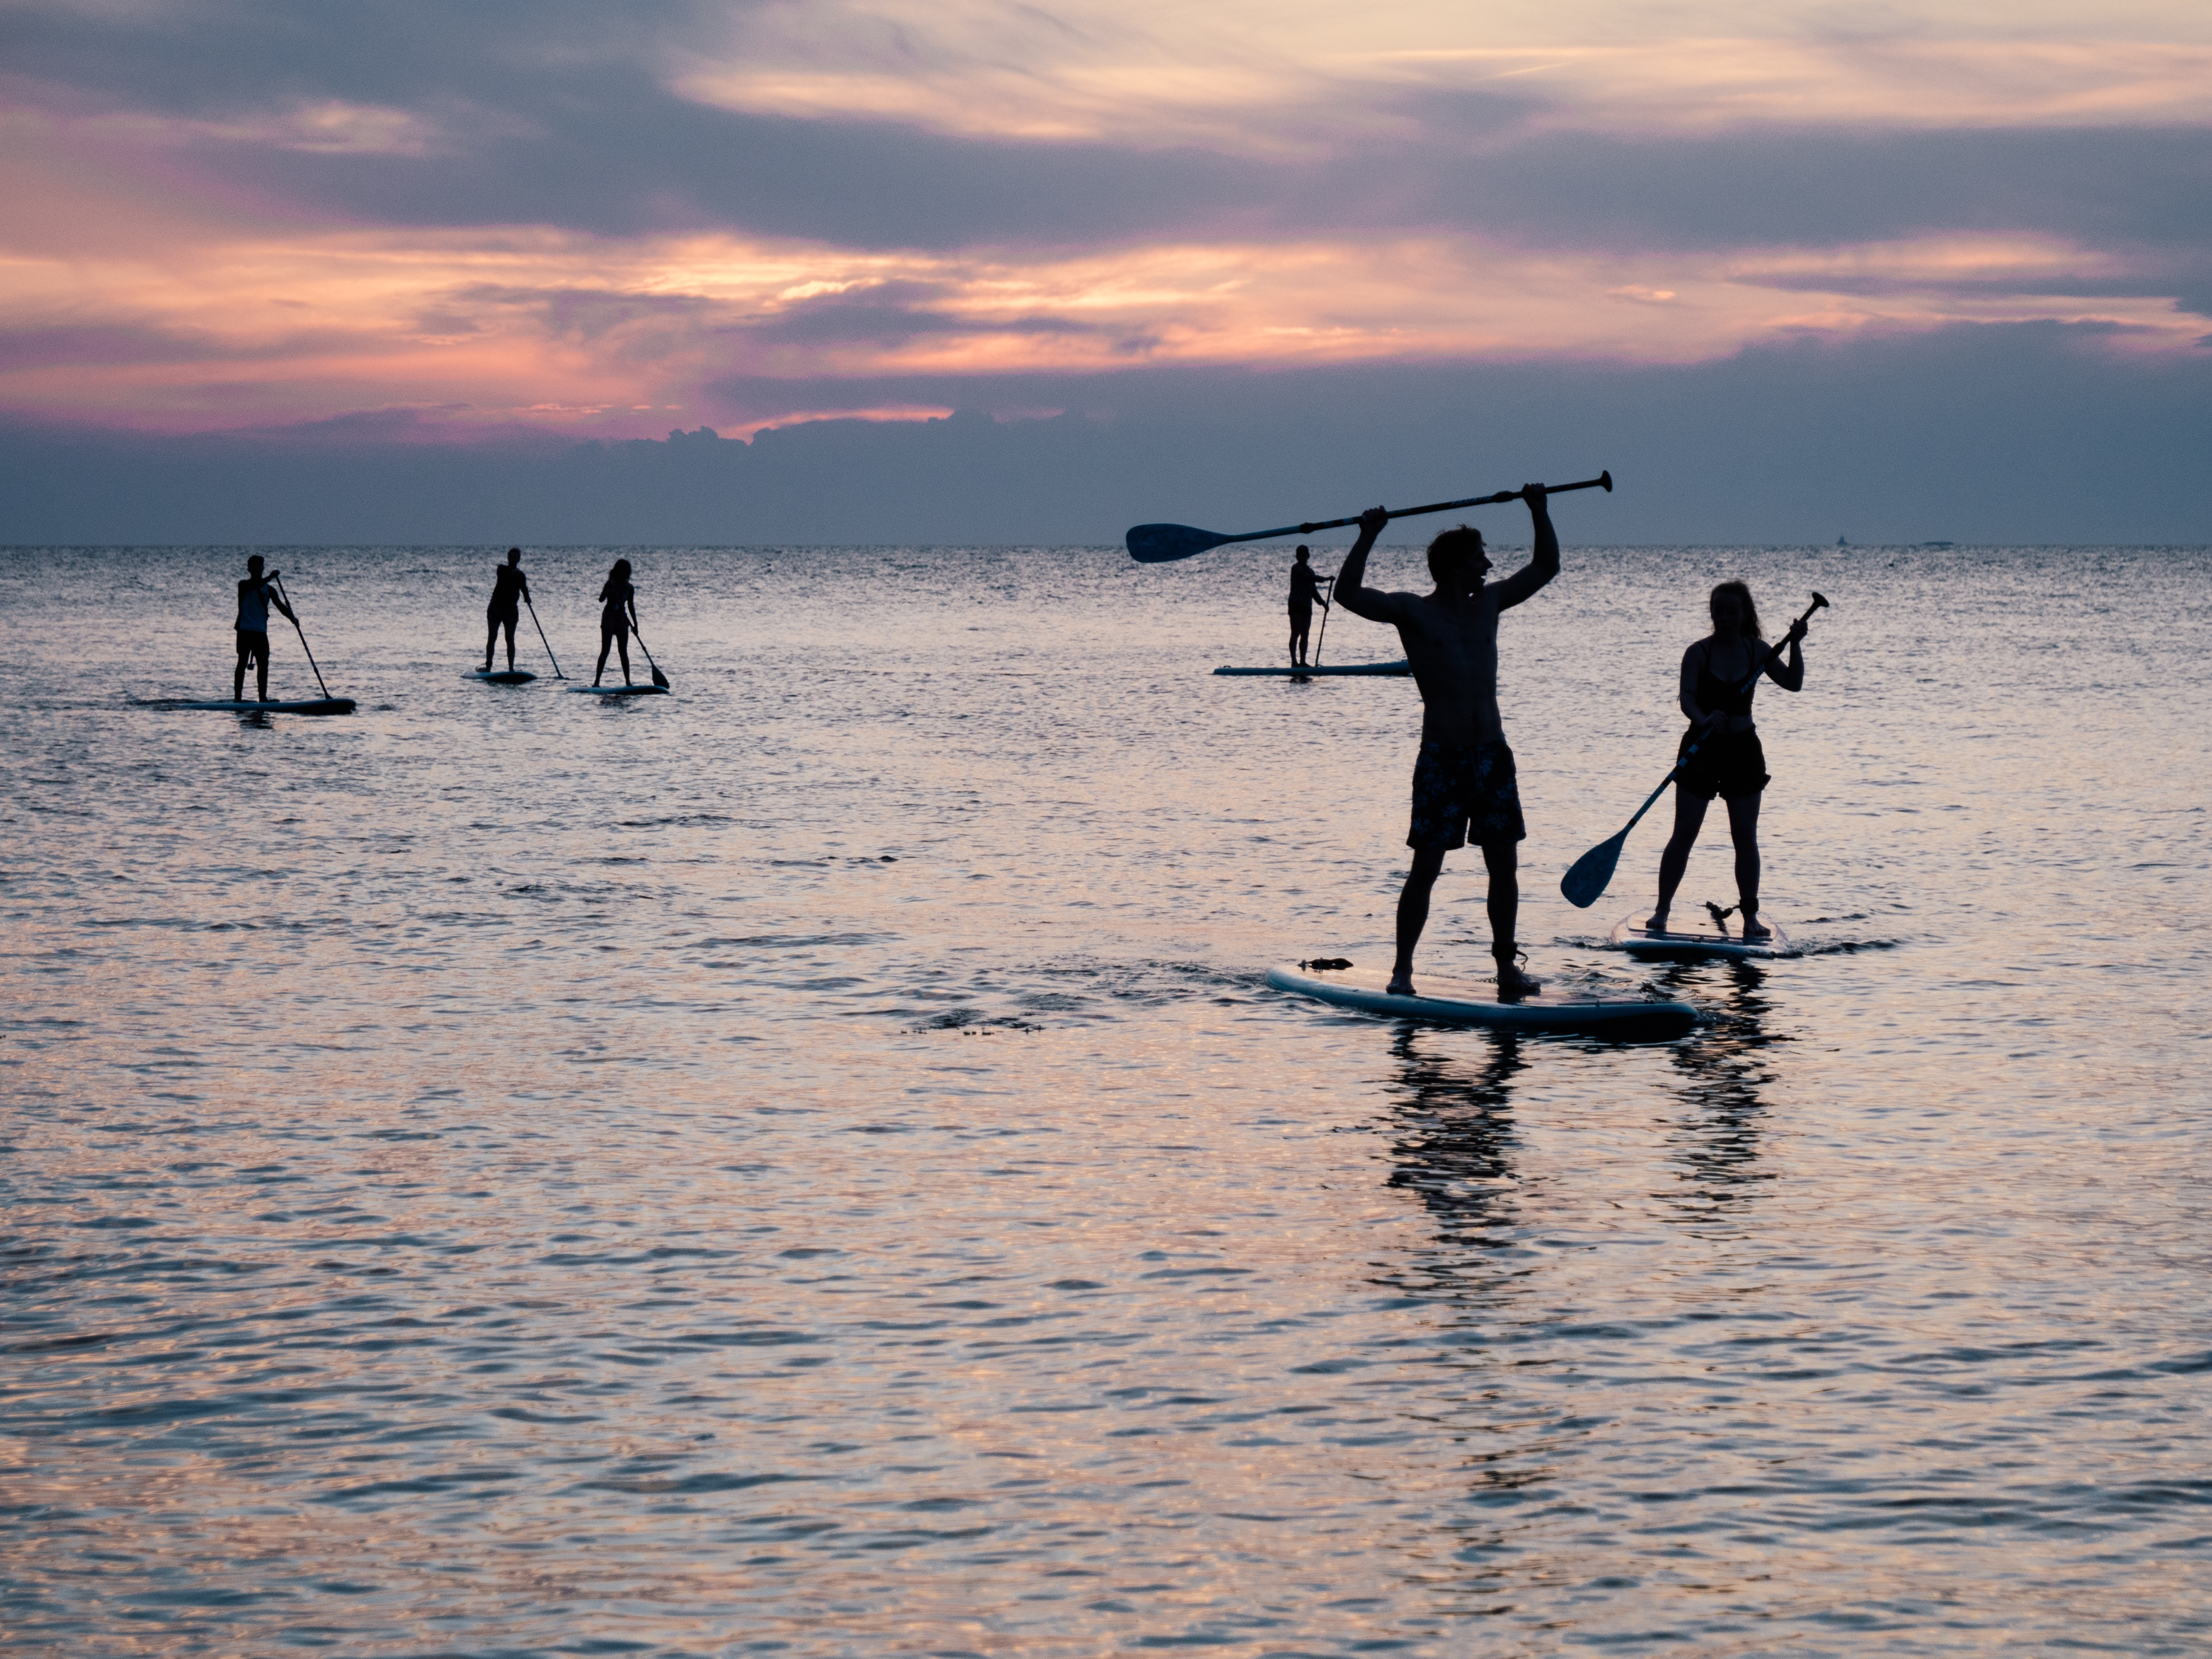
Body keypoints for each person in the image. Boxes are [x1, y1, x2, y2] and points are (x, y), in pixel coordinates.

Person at [1333, 488, 1558, 1000]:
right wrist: (1367, 535)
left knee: (1503, 868)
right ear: (1456, 565)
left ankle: (1506, 969)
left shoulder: (1491, 603)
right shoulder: (1414, 613)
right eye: (1479, 556)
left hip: (1492, 755)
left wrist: (1538, 511)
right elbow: (1348, 595)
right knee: (1425, 869)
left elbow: (1545, 566)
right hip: (1442, 758)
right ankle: (1402, 972)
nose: (1487, 564)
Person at [1645, 581, 1806, 940]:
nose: (1726, 617)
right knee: (1684, 834)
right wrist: (1704, 718)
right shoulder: (1698, 653)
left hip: (1743, 750)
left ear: (1745, 614)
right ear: (1712, 613)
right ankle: (1662, 911)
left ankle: (1750, 917)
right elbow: (1687, 698)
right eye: (1720, 610)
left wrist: (1795, 643)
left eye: (1734, 611)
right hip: (1701, 748)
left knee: (1745, 836)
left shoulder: (1759, 650)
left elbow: (1794, 683)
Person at [233, 555, 295, 702]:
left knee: (263, 664)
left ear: (263, 567)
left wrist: (293, 619)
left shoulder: (270, 590)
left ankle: (263, 698)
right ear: (249, 569)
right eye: (254, 566)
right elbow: (255, 585)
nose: (257, 568)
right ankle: (238, 699)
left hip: (261, 631)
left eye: (260, 566)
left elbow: (281, 607)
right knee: (242, 662)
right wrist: (270, 577)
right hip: (245, 630)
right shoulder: (244, 585)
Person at [483, 547, 532, 672]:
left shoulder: (521, 576)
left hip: (511, 610)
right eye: (512, 557)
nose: (513, 559)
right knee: (492, 637)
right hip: (496, 608)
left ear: (519, 560)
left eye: (516, 558)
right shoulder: (501, 569)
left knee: (510, 639)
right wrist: (515, 574)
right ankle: (488, 667)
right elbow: (505, 575)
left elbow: (525, 590)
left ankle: (511, 668)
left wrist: (527, 597)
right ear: (508, 558)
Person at [594, 558, 638, 687]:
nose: (624, 574)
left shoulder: (630, 588)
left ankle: (628, 682)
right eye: (622, 571)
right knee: (605, 651)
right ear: (617, 571)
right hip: (609, 618)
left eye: (626, 572)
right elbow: (601, 599)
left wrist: (636, 625)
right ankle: (597, 682)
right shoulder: (610, 584)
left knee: (623, 652)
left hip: (622, 619)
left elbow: (631, 606)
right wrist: (608, 592)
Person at [1288, 545, 1329, 667]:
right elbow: (1309, 578)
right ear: (1297, 557)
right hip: (1295, 604)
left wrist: (1323, 604)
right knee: (1296, 633)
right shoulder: (1296, 569)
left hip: (1307, 605)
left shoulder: (1311, 571)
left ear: (1308, 556)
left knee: (1305, 633)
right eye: (1299, 555)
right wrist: (1326, 579)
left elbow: (1313, 591)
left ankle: (1303, 661)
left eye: (1304, 554)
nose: (1302, 557)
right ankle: (1294, 662)